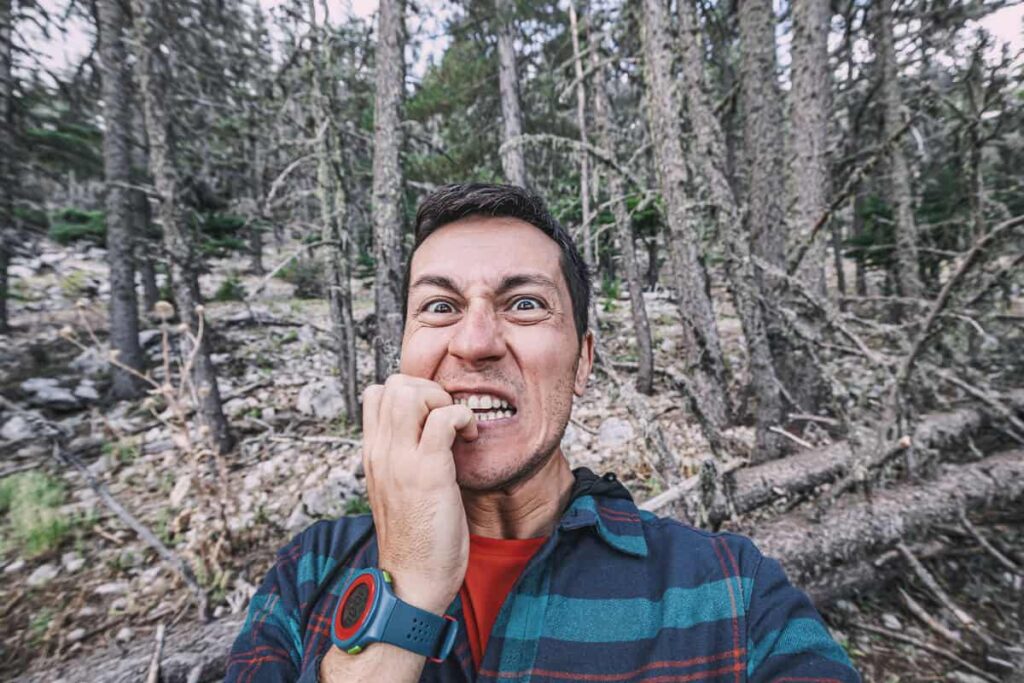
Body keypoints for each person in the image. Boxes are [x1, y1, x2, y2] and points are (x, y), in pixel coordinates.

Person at [227, 183, 860, 682]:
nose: (474, 343)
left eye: (524, 303)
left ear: (583, 362)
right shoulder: (308, 574)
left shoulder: (730, 594)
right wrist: (406, 586)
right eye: (440, 307)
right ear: (404, 355)